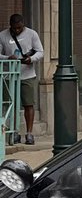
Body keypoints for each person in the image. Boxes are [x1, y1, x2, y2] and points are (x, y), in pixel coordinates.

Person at [0, 14, 44, 144]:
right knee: (10, 105)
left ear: (23, 24)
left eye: (19, 28)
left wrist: (31, 59)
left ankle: (29, 133)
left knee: (28, 104)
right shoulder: (3, 35)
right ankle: (13, 132)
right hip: (10, 75)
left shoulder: (32, 34)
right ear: (10, 26)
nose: (17, 30)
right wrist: (8, 58)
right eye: (14, 28)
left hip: (27, 75)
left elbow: (40, 51)